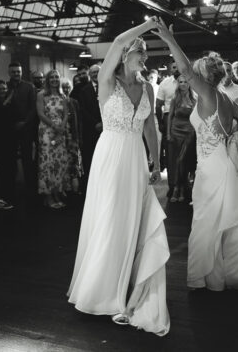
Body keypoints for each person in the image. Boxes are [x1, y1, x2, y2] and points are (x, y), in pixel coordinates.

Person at [154, 17, 238, 292]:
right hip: (224, 164)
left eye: (195, 74)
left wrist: (170, 40)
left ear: (203, 77)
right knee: (230, 226)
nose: (189, 76)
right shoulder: (225, 98)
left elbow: (183, 67)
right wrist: (234, 140)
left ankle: (203, 278)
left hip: (212, 169)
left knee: (205, 222)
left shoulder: (208, 92)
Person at [68, 17, 169, 336]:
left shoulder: (148, 87)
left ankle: (124, 283)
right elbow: (114, 43)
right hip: (111, 156)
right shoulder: (108, 82)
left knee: (132, 220)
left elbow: (150, 126)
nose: (145, 59)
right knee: (111, 218)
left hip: (136, 158)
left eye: (146, 55)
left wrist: (155, 162)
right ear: (127, 55)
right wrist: (146, 26)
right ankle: (101, 289)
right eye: (141, 53)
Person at [37, 70, 71, 208]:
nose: (54, 80)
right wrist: (53, 126)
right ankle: (48, 195)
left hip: (60, 132)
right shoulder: (41, 95)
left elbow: (66, 114)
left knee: (60, 162)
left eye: (57, 77)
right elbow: (40, 113)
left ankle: (57, 192)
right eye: (52, 77)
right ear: (47, 79)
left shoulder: (63, 96)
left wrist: (62, 127)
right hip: (46, 130)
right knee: (48, 162)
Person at [7, 62, 37, 198]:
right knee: (11, 159)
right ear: (9, 73)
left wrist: (24, 122)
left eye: (18, 72)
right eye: (13, 72)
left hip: (26, 128)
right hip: (10, 129)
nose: (16, 74)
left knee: (27, 159)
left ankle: (30, 188)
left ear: (21, 72)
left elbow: (33, 108)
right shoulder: (5, 87)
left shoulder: (29, 87)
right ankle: (12, 188)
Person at [167, 75, 196, 203]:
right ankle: (177, 187)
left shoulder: (194, 100)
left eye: (185, 81)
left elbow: (196, 118)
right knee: (176, 161)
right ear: (177, 84)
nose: (183, 84)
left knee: (182, 160)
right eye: (180, 82)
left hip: (189, 132)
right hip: (175, 131)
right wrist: (168, 133)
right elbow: (170, 117)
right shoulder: (175, 99)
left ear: (189, 84)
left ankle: (180, 188)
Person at [71, 64, 101, 185]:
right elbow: (82, 109)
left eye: (97, 72)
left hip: (107, 128)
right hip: (91, 129)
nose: (95, 74)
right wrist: (96, 123)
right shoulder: (84, 90)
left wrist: (104, 123)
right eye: (93, 72)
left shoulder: (109, 86)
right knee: (90, 159)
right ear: (90, 74)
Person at [0, 80, 17, 210]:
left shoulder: (11, 104)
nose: (3, 91)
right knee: (1, 171)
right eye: (0, 89)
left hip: (10, 141)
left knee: (11, 170)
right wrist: (6, 102)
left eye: (5, 89)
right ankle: (0, 199)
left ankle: (8, 197)